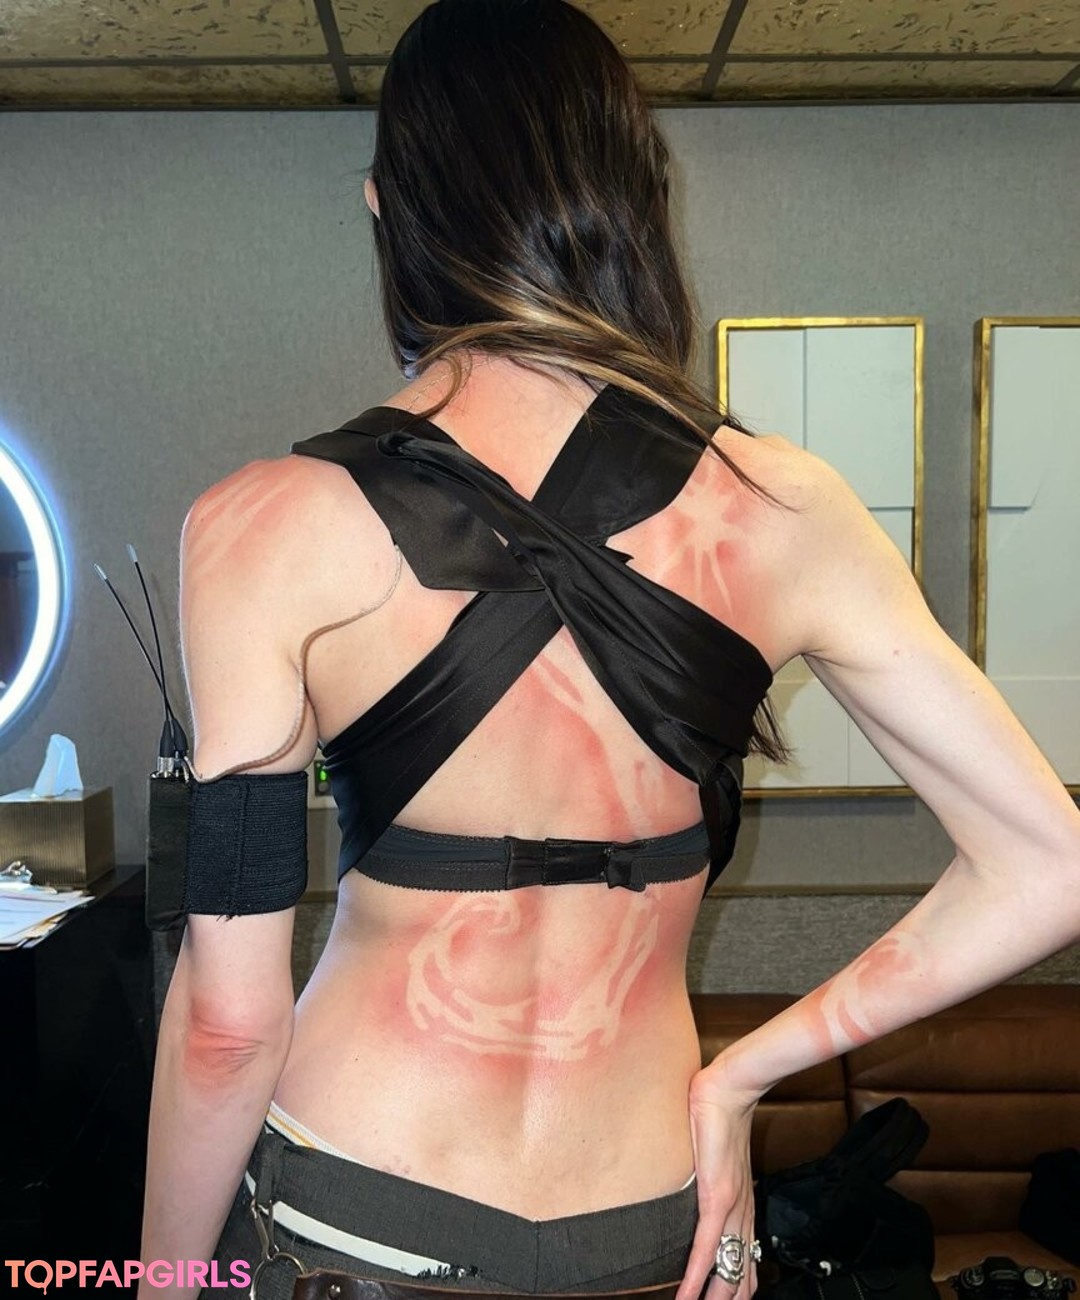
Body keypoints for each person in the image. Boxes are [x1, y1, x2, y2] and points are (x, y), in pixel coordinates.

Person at [137, 2, 1080, 1298]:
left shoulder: (262, 526)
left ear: (384, 208)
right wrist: (744, 1076)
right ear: (636, 197)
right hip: (648, 1225)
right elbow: (1053, 864)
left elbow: (228, 1024)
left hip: (357, 1209)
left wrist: (161, 1282)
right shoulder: (786, 509)